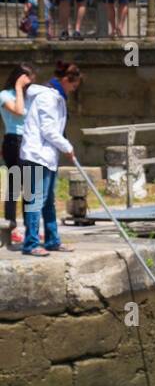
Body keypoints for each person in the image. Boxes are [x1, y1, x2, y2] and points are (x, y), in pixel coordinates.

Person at [19, 61, 81, 258]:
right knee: (35, 201)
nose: (73, 89)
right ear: (65, 80)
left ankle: (53, 240)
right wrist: (67, 147)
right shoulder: (47, 97)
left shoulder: (56, 96)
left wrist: (62, 147)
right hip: (34, 155)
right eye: (73, 85)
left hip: (47, 156)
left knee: (48, 202)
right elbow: (48, 130)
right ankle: (30, 244)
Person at [1, 63, 35, 245]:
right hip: (14, 142)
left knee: (31, 188)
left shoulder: (29, 96)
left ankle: (32, 229)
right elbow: (19, 111)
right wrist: (18, 89)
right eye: (26, 82)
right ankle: (11, 228)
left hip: (29, 142)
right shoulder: (5, 95)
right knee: (14, 187)